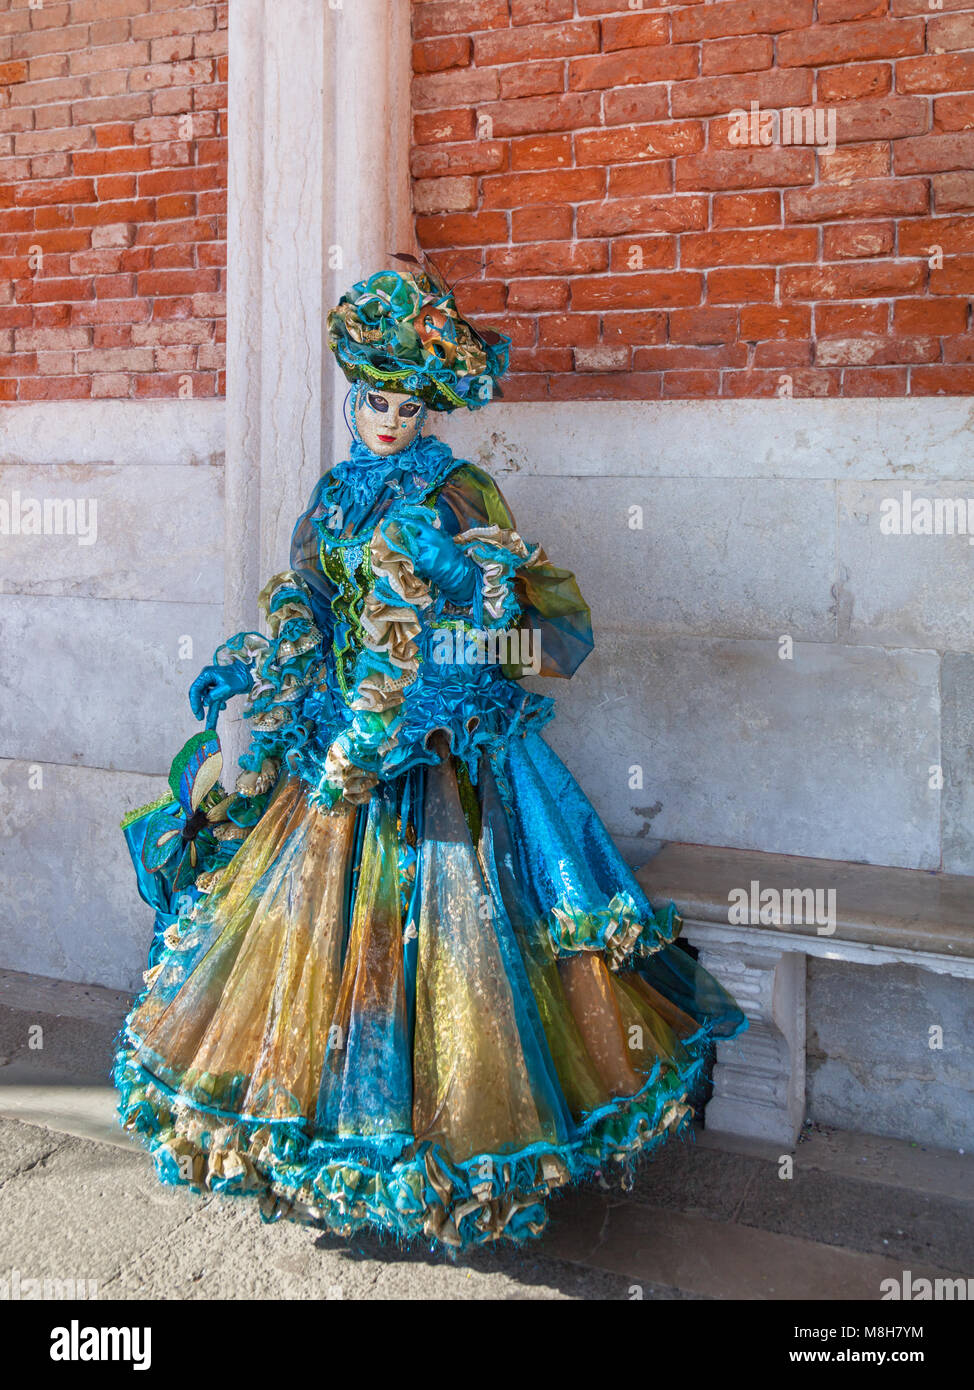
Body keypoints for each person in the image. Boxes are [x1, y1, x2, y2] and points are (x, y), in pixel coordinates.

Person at [115, 265, 745, 1250]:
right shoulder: (334, 497)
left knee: (459, 952)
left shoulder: (460, 491)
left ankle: (452, 1144)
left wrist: (436, 665)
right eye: (374, 402)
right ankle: (345, 1144)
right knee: (335, 950)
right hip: (340, 751)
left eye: (407, 406)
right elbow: (312, 603)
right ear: (352, 397)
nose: (388, 422)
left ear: (427, 407)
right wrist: (270, 654)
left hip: (444, 763)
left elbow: (524, 634)